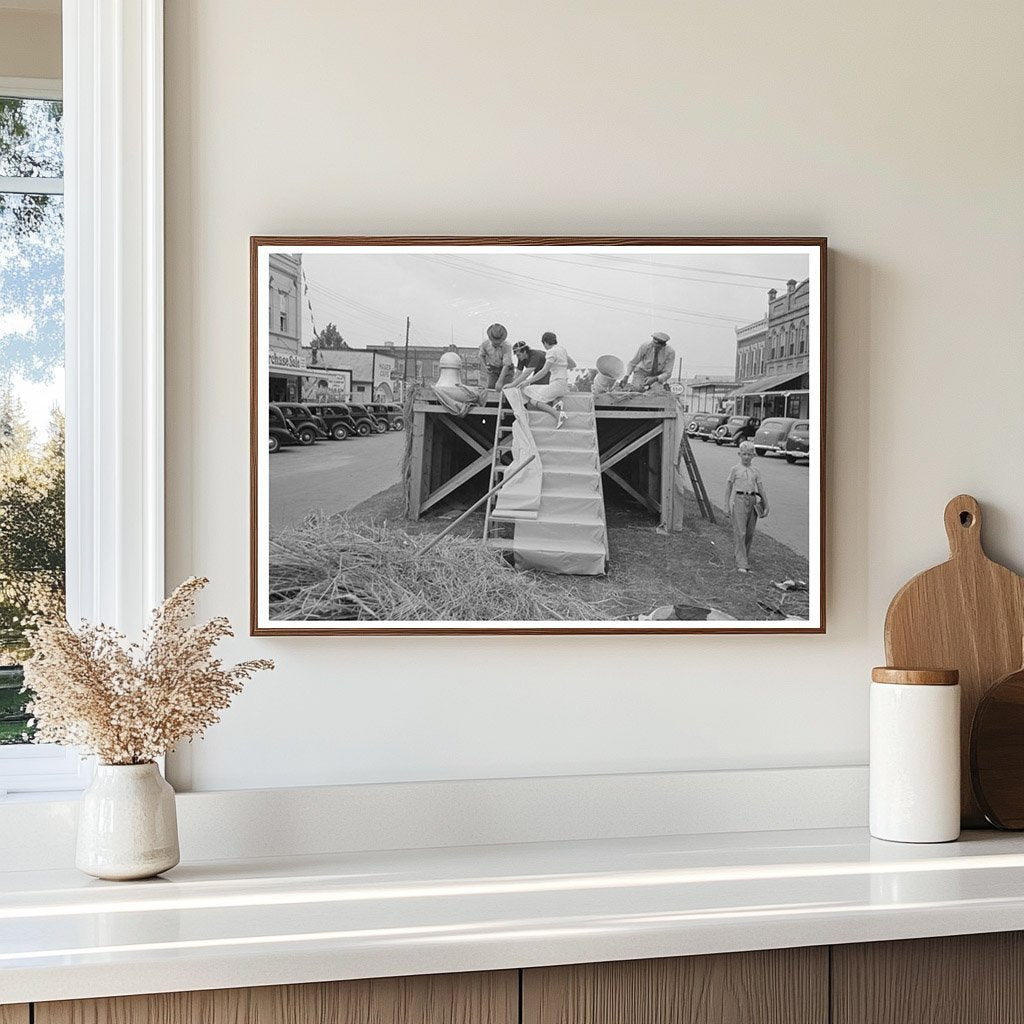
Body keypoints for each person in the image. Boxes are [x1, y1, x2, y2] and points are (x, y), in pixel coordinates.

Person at [724, 441, 769, 573]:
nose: (746, 457)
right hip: (739, 500)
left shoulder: (756, 471)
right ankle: (742, 563)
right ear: (739, 454)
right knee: (740, 531)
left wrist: (766, 504)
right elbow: (728, 487)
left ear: (753, 456)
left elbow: (760, 488)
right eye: (744, 454)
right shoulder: (735, 470)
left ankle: (743, 555)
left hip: (753, 500)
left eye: (749, 455)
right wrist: (726, 505)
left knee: (749, 532)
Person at [515, 331, 576, 428]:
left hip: (556, 385)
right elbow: (573, 364)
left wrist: (527, 382)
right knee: (543, 392)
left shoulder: (551, 352)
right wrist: (559, 368)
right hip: (564, 385)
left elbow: (544, 371)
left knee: (532, 398)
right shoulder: (562, 349)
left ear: (544, 343)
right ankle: (557, 404)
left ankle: (557, 414)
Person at [479, 323, 513, 389]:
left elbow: (506, 365)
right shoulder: (485, 344)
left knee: (506, 389)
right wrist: (485, 366)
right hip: (493, 369)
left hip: (506, 370)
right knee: (491, 387)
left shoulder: (507, 346)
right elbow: (481, 355)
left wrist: (500, 381)